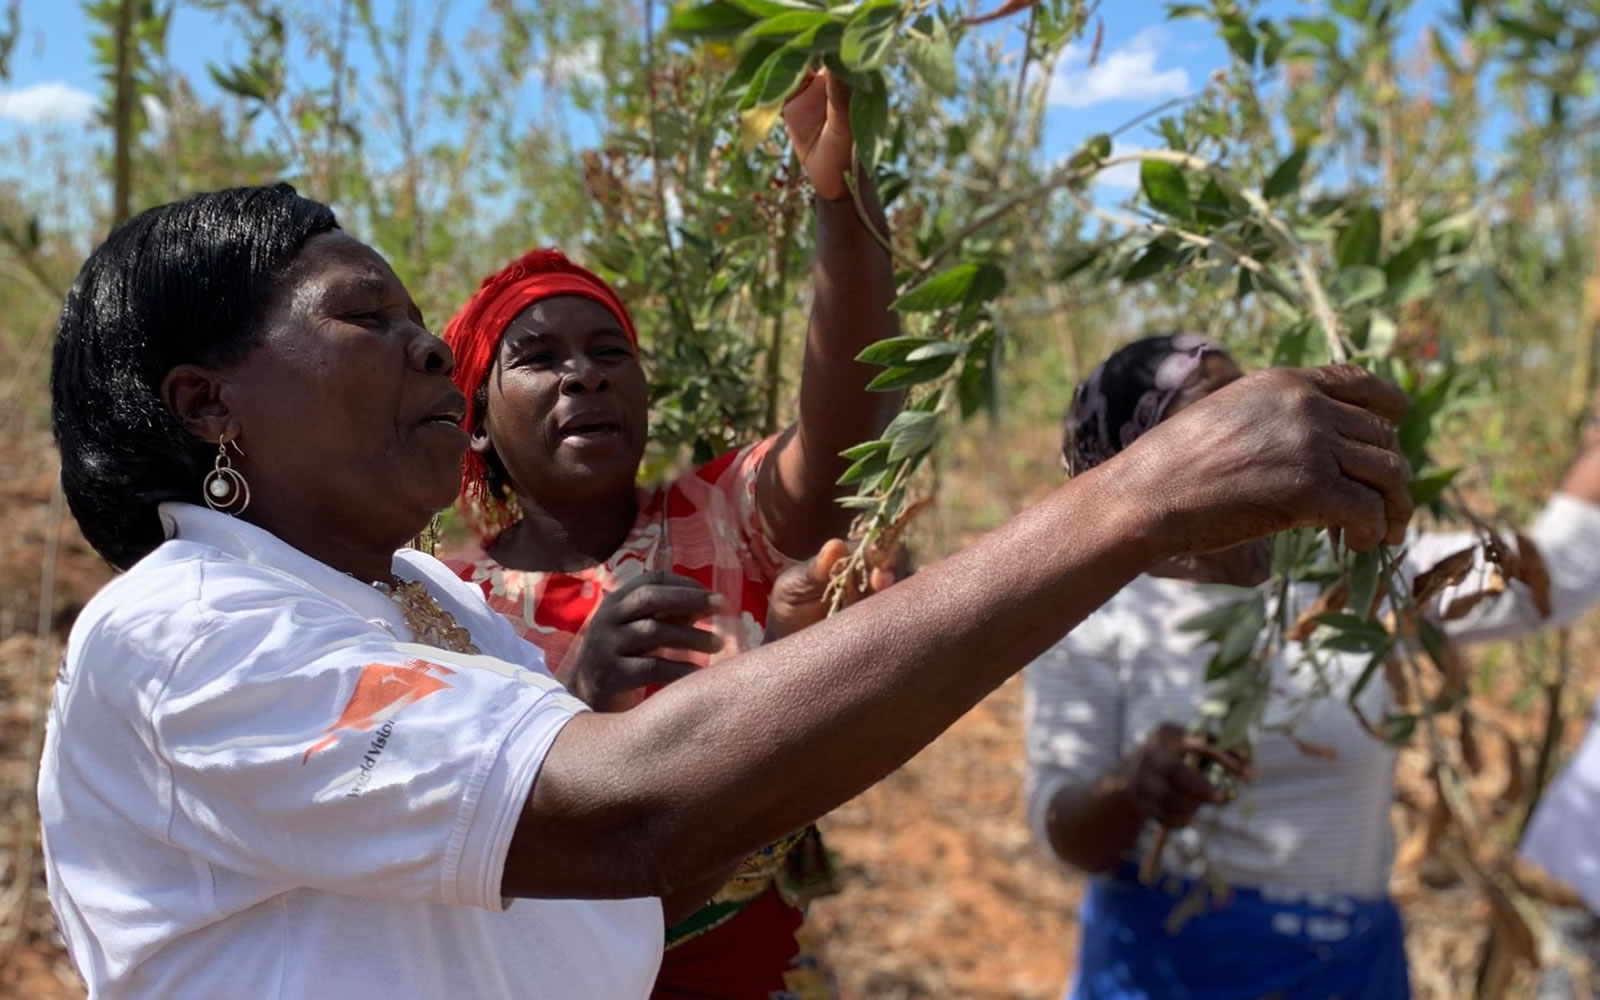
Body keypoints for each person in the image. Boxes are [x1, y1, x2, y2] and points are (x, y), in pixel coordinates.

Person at [41, 184, 1413, 1000]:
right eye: (364, 318)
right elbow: (633, 810)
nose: (424, 353)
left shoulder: (415, 602)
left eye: (420, 324)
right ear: (208, 406)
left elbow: (664, 841)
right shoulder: (186, 636)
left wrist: (817, 665)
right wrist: (1138, 498)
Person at [437, 71, 901, 996]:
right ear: (476, 424)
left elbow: (842, 437)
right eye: (538, 358)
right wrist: (578, 700)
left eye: (610, 352)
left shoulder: (722, 511)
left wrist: (840, 200)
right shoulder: (451, 602)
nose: (584, 375)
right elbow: (476, 843)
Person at [1024, 333, 1600, 1000]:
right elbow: (1060, 823)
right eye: (1219, 414)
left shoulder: (1357, 566)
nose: (1259, 426)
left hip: (1344, 971)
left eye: (1252, 401)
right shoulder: (1100, 615)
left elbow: (1552, 576)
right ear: (1144, 463)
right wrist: (1130, 790)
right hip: (1163, 969)